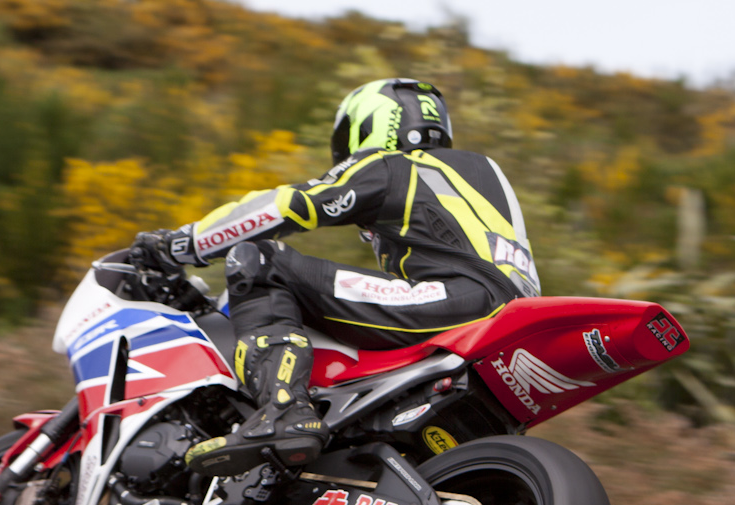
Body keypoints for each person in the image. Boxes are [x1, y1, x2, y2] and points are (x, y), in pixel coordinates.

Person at [130, 78, 540, 476]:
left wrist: (181, 245)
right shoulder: (484, 173)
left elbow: (287, 206)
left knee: (259, 260)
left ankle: (283, 408)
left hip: (456, 299)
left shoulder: (392, 165)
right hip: (513, 315)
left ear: (375, 124)